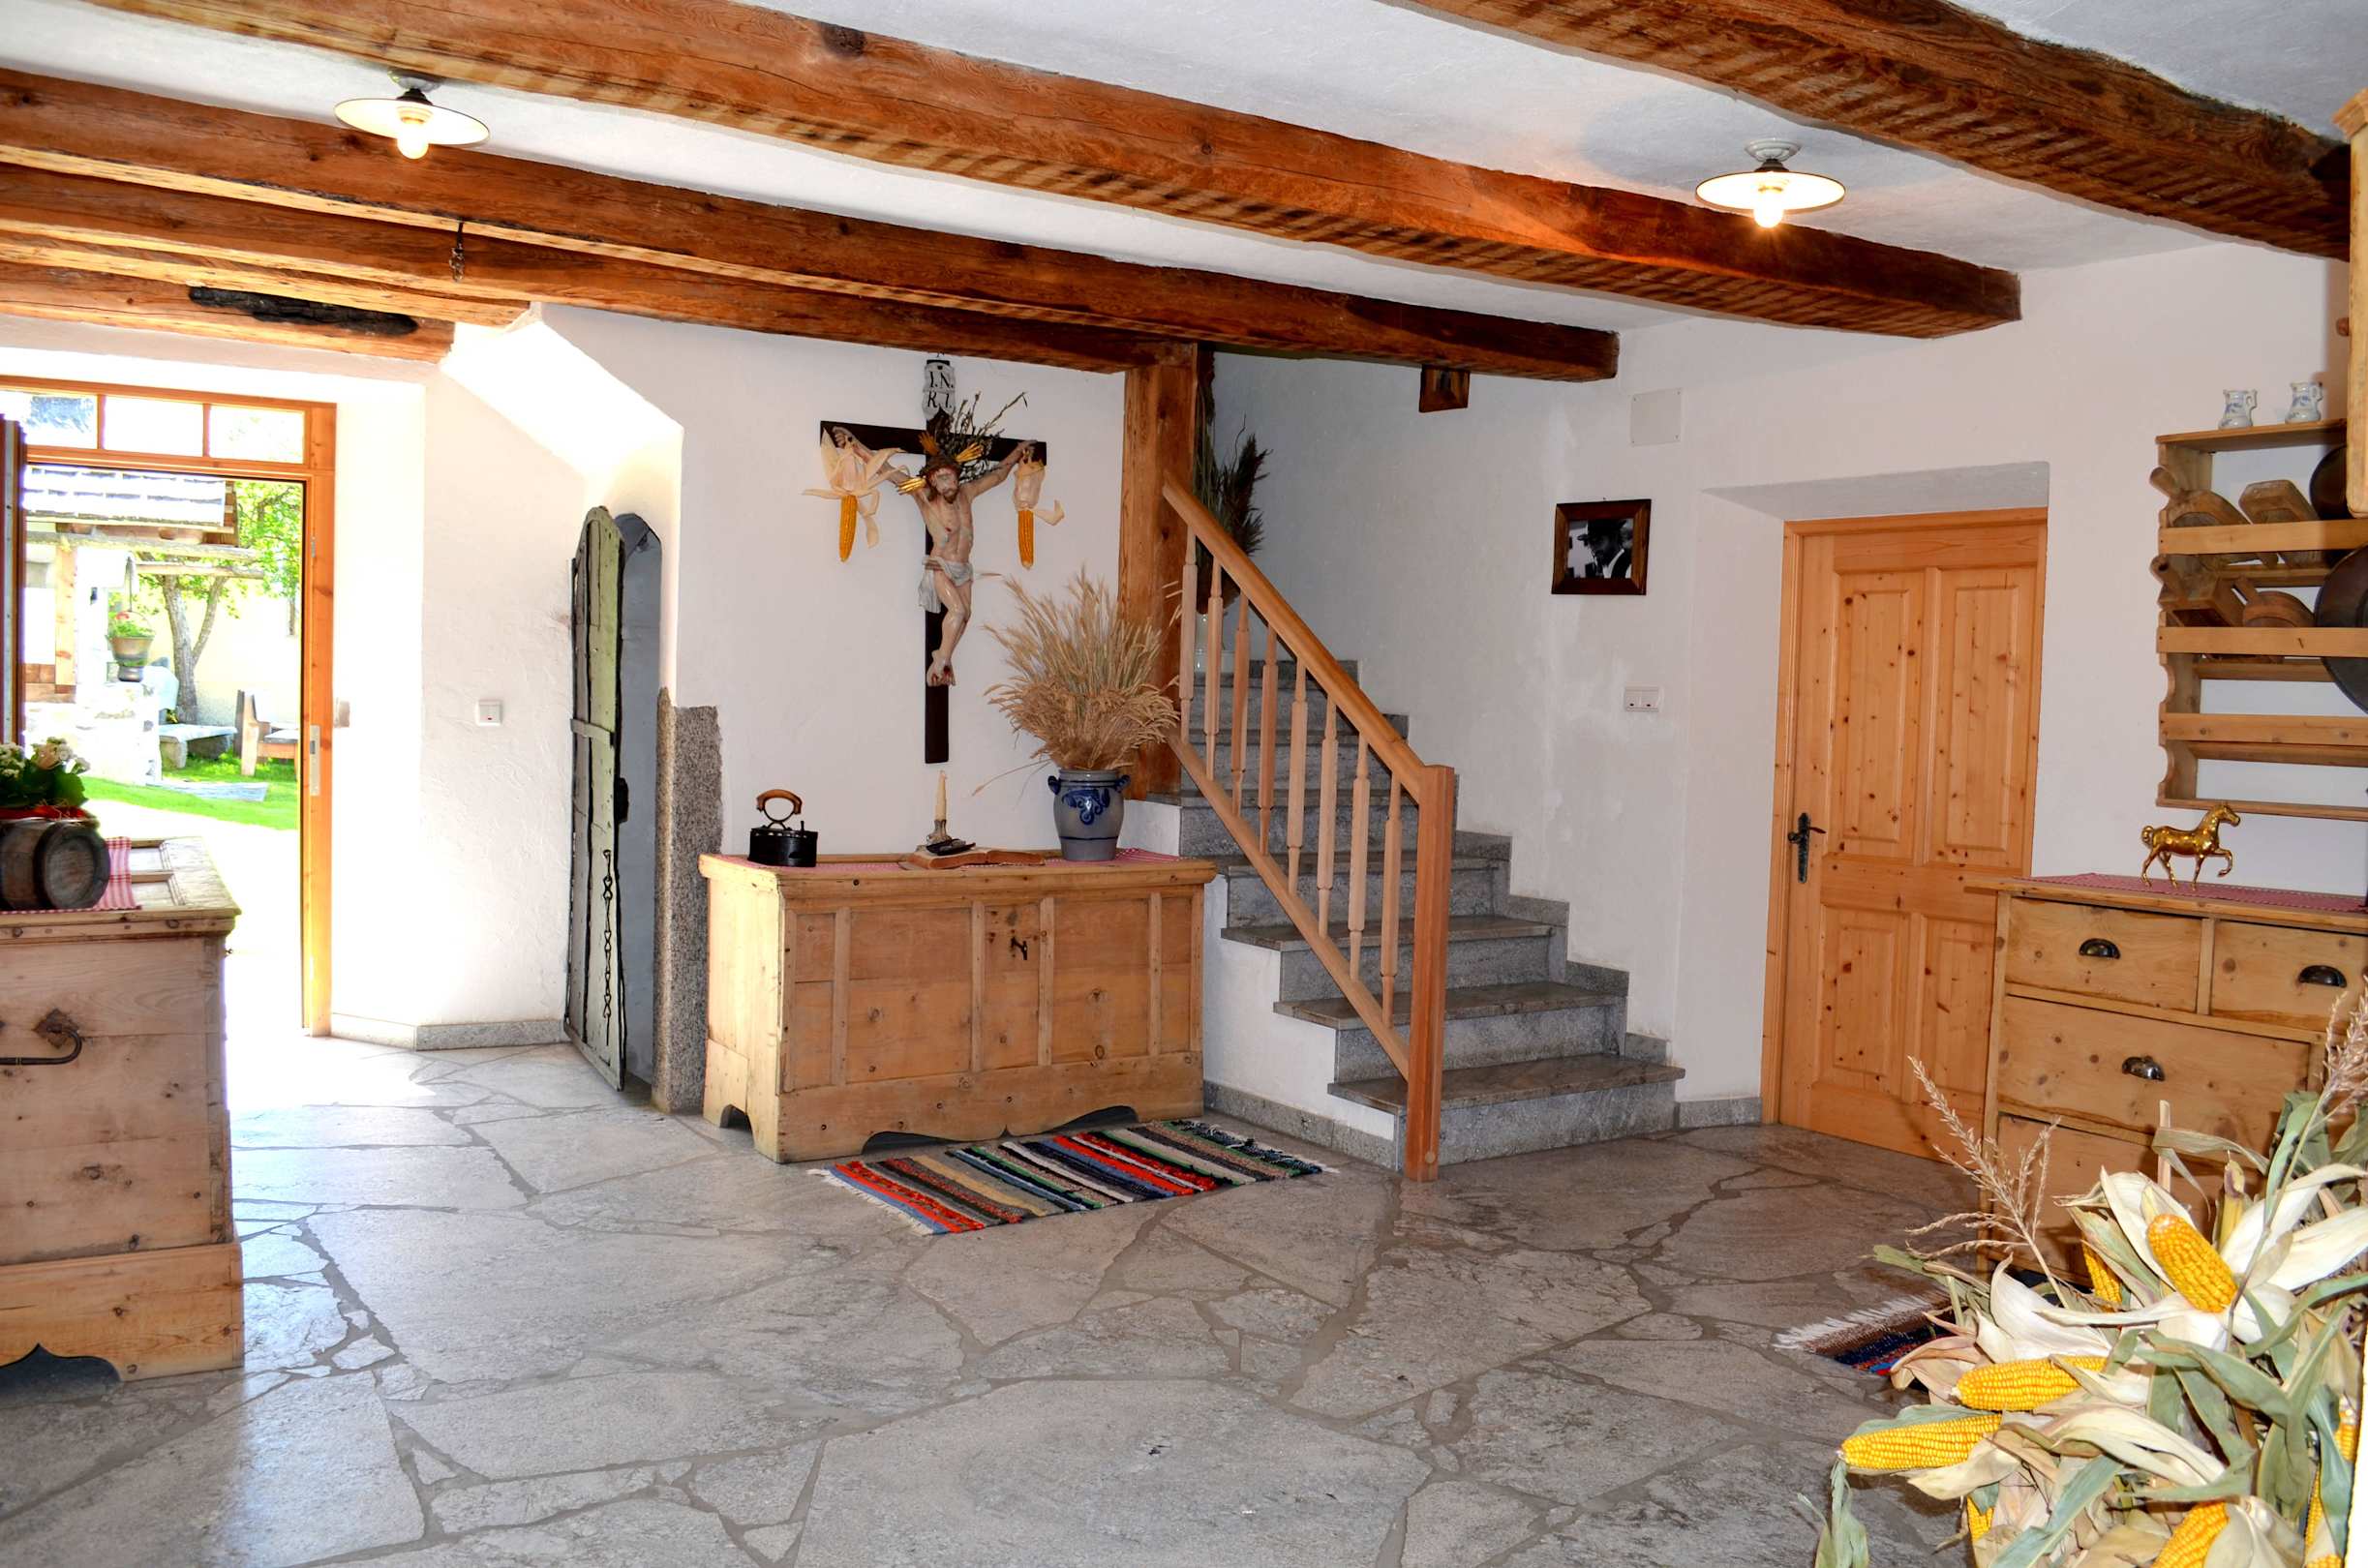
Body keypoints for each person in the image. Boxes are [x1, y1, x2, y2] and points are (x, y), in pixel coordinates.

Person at [829, 429, 1033, 685]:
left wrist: (1018, 452)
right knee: (957, 611)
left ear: (957, 475)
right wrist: (855, 444)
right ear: (932, 482)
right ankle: (941, 660)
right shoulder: (924, 497)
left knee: (966, 616)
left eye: (950, 476)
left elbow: (998, 475)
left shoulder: (968, 492)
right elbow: (887, 470)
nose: (948, 483)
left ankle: (945, 660)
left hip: (964, 568)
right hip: (941, 566)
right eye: (941, 478)